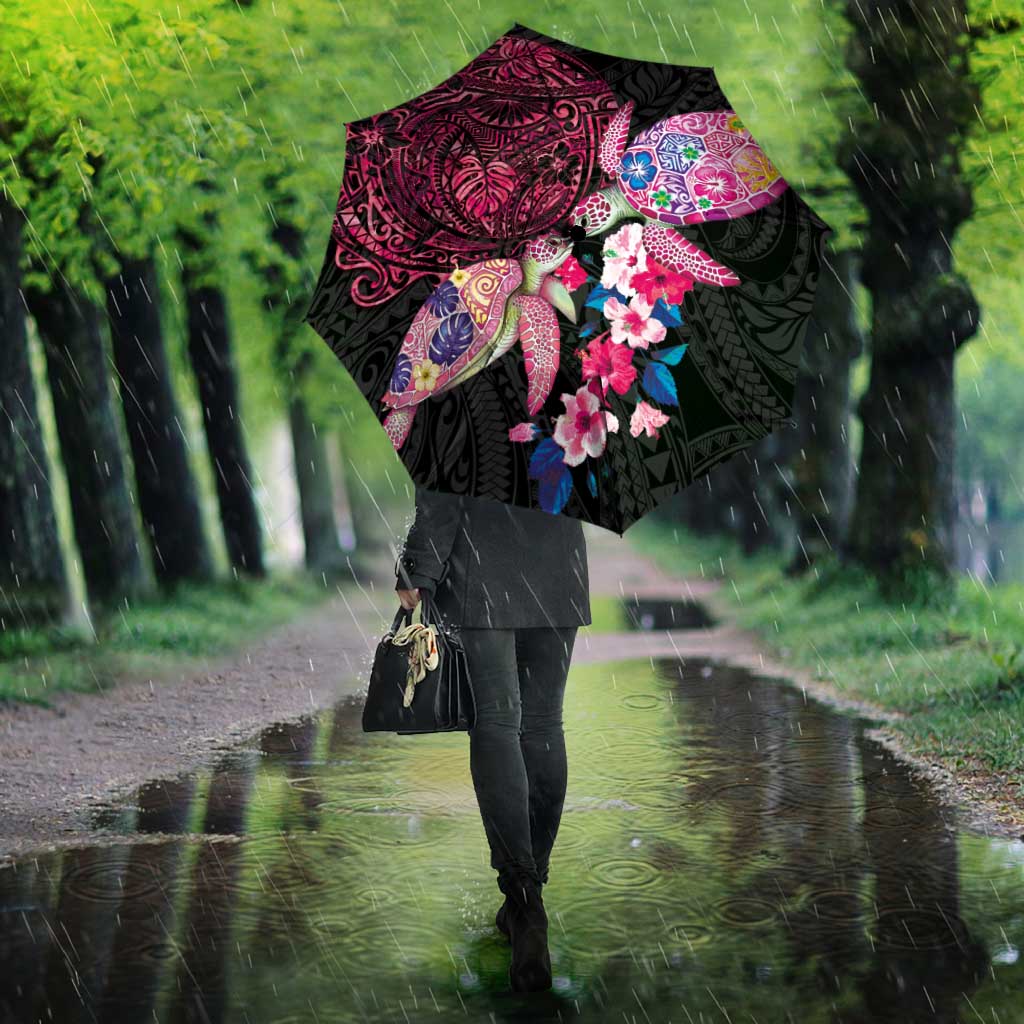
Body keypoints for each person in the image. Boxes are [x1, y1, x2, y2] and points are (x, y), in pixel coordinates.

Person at [395, 484, 591, 992]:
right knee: (545, 723)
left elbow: (445, 477)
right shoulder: (584, 398)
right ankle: (530, 895)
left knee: (497, 723)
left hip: (483, 562)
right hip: (557, 560)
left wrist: (418, 565)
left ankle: (524, 899)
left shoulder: (459, 397)